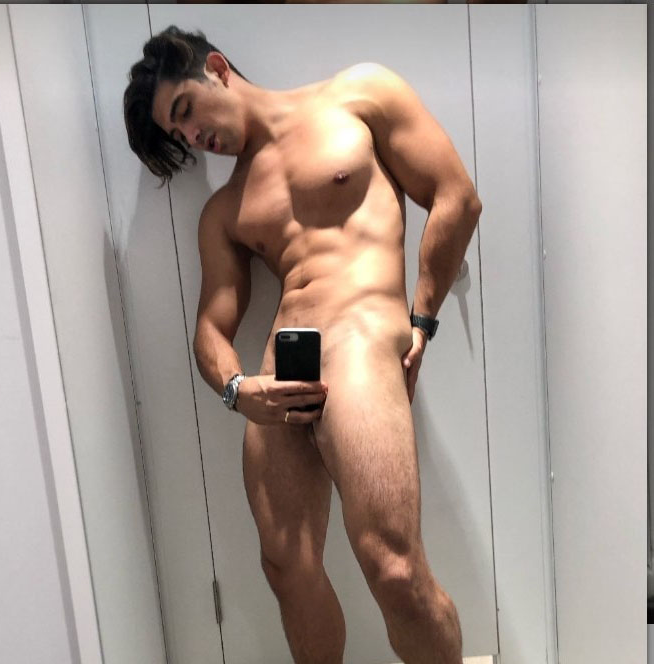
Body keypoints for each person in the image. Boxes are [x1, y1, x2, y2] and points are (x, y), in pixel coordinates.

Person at [124, 26, 482, 664]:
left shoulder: (360, 94)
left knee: (394, 568)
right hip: (282, 368)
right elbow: (210, 328)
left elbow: (457, 196)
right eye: (179, 134)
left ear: (216, 68)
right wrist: (239, 389)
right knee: (286, 566)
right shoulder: (225, 210)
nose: (193, 136)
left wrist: (422, 320)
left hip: (363, 333)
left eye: (186, 109)